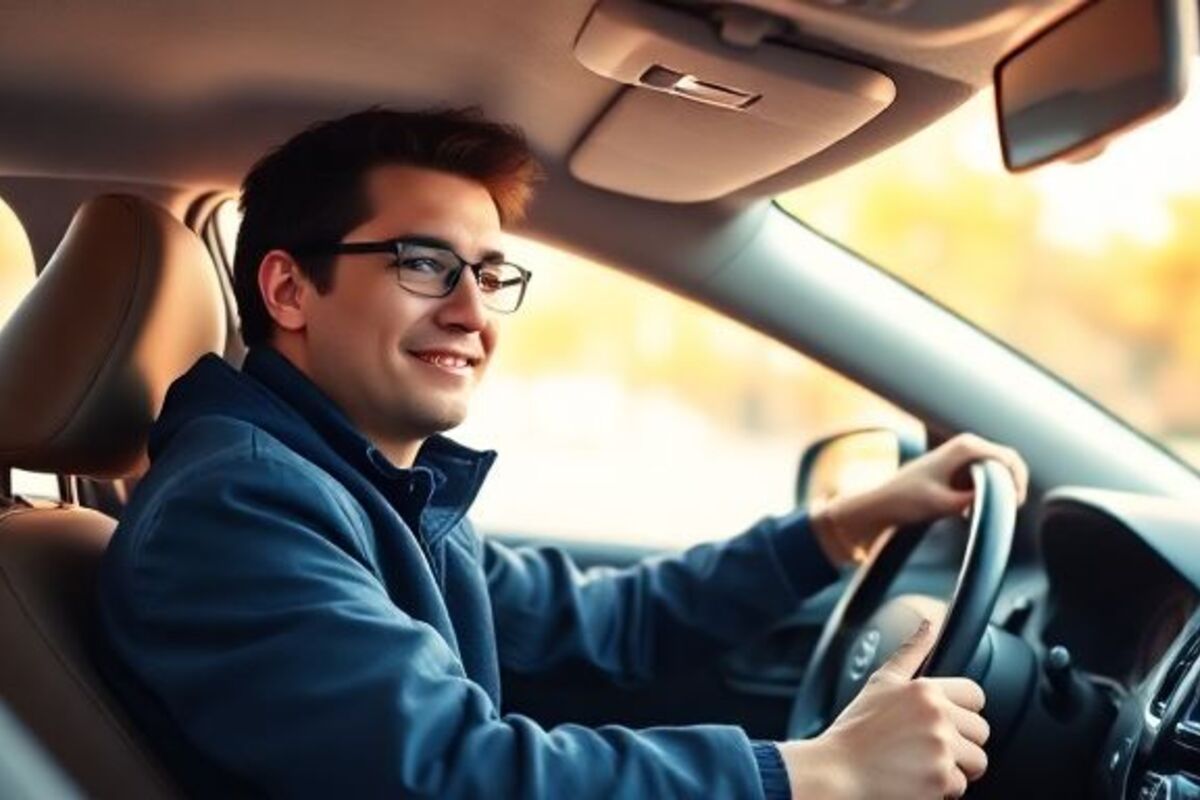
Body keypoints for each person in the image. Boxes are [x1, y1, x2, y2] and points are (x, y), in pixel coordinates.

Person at [96, 107, 1029, 799]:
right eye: (423, 263)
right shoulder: (240, 506)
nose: (470, 311)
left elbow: (608, 624)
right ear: (290, 290)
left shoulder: (362, 486)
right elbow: (453, 774)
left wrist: (848, 520)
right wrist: (811, 775)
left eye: (491, 273)